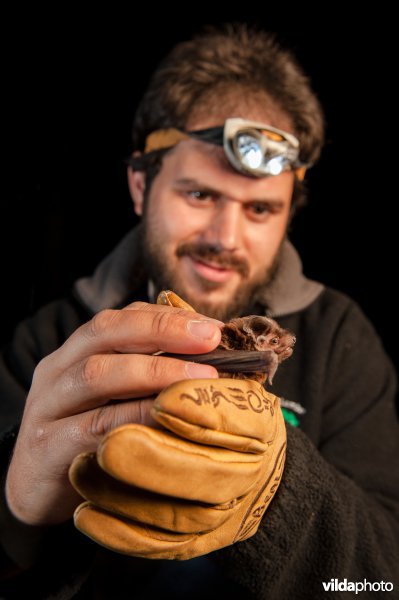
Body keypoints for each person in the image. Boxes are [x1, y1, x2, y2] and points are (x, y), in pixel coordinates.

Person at [0, 23, 398, 599]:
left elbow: (375, 585)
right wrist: (15, 513)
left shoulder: (343, 341)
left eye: (260, 209)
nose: (225, 237)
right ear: (141, 186)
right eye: (200, 194)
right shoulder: (53, 339)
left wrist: (278, 493)